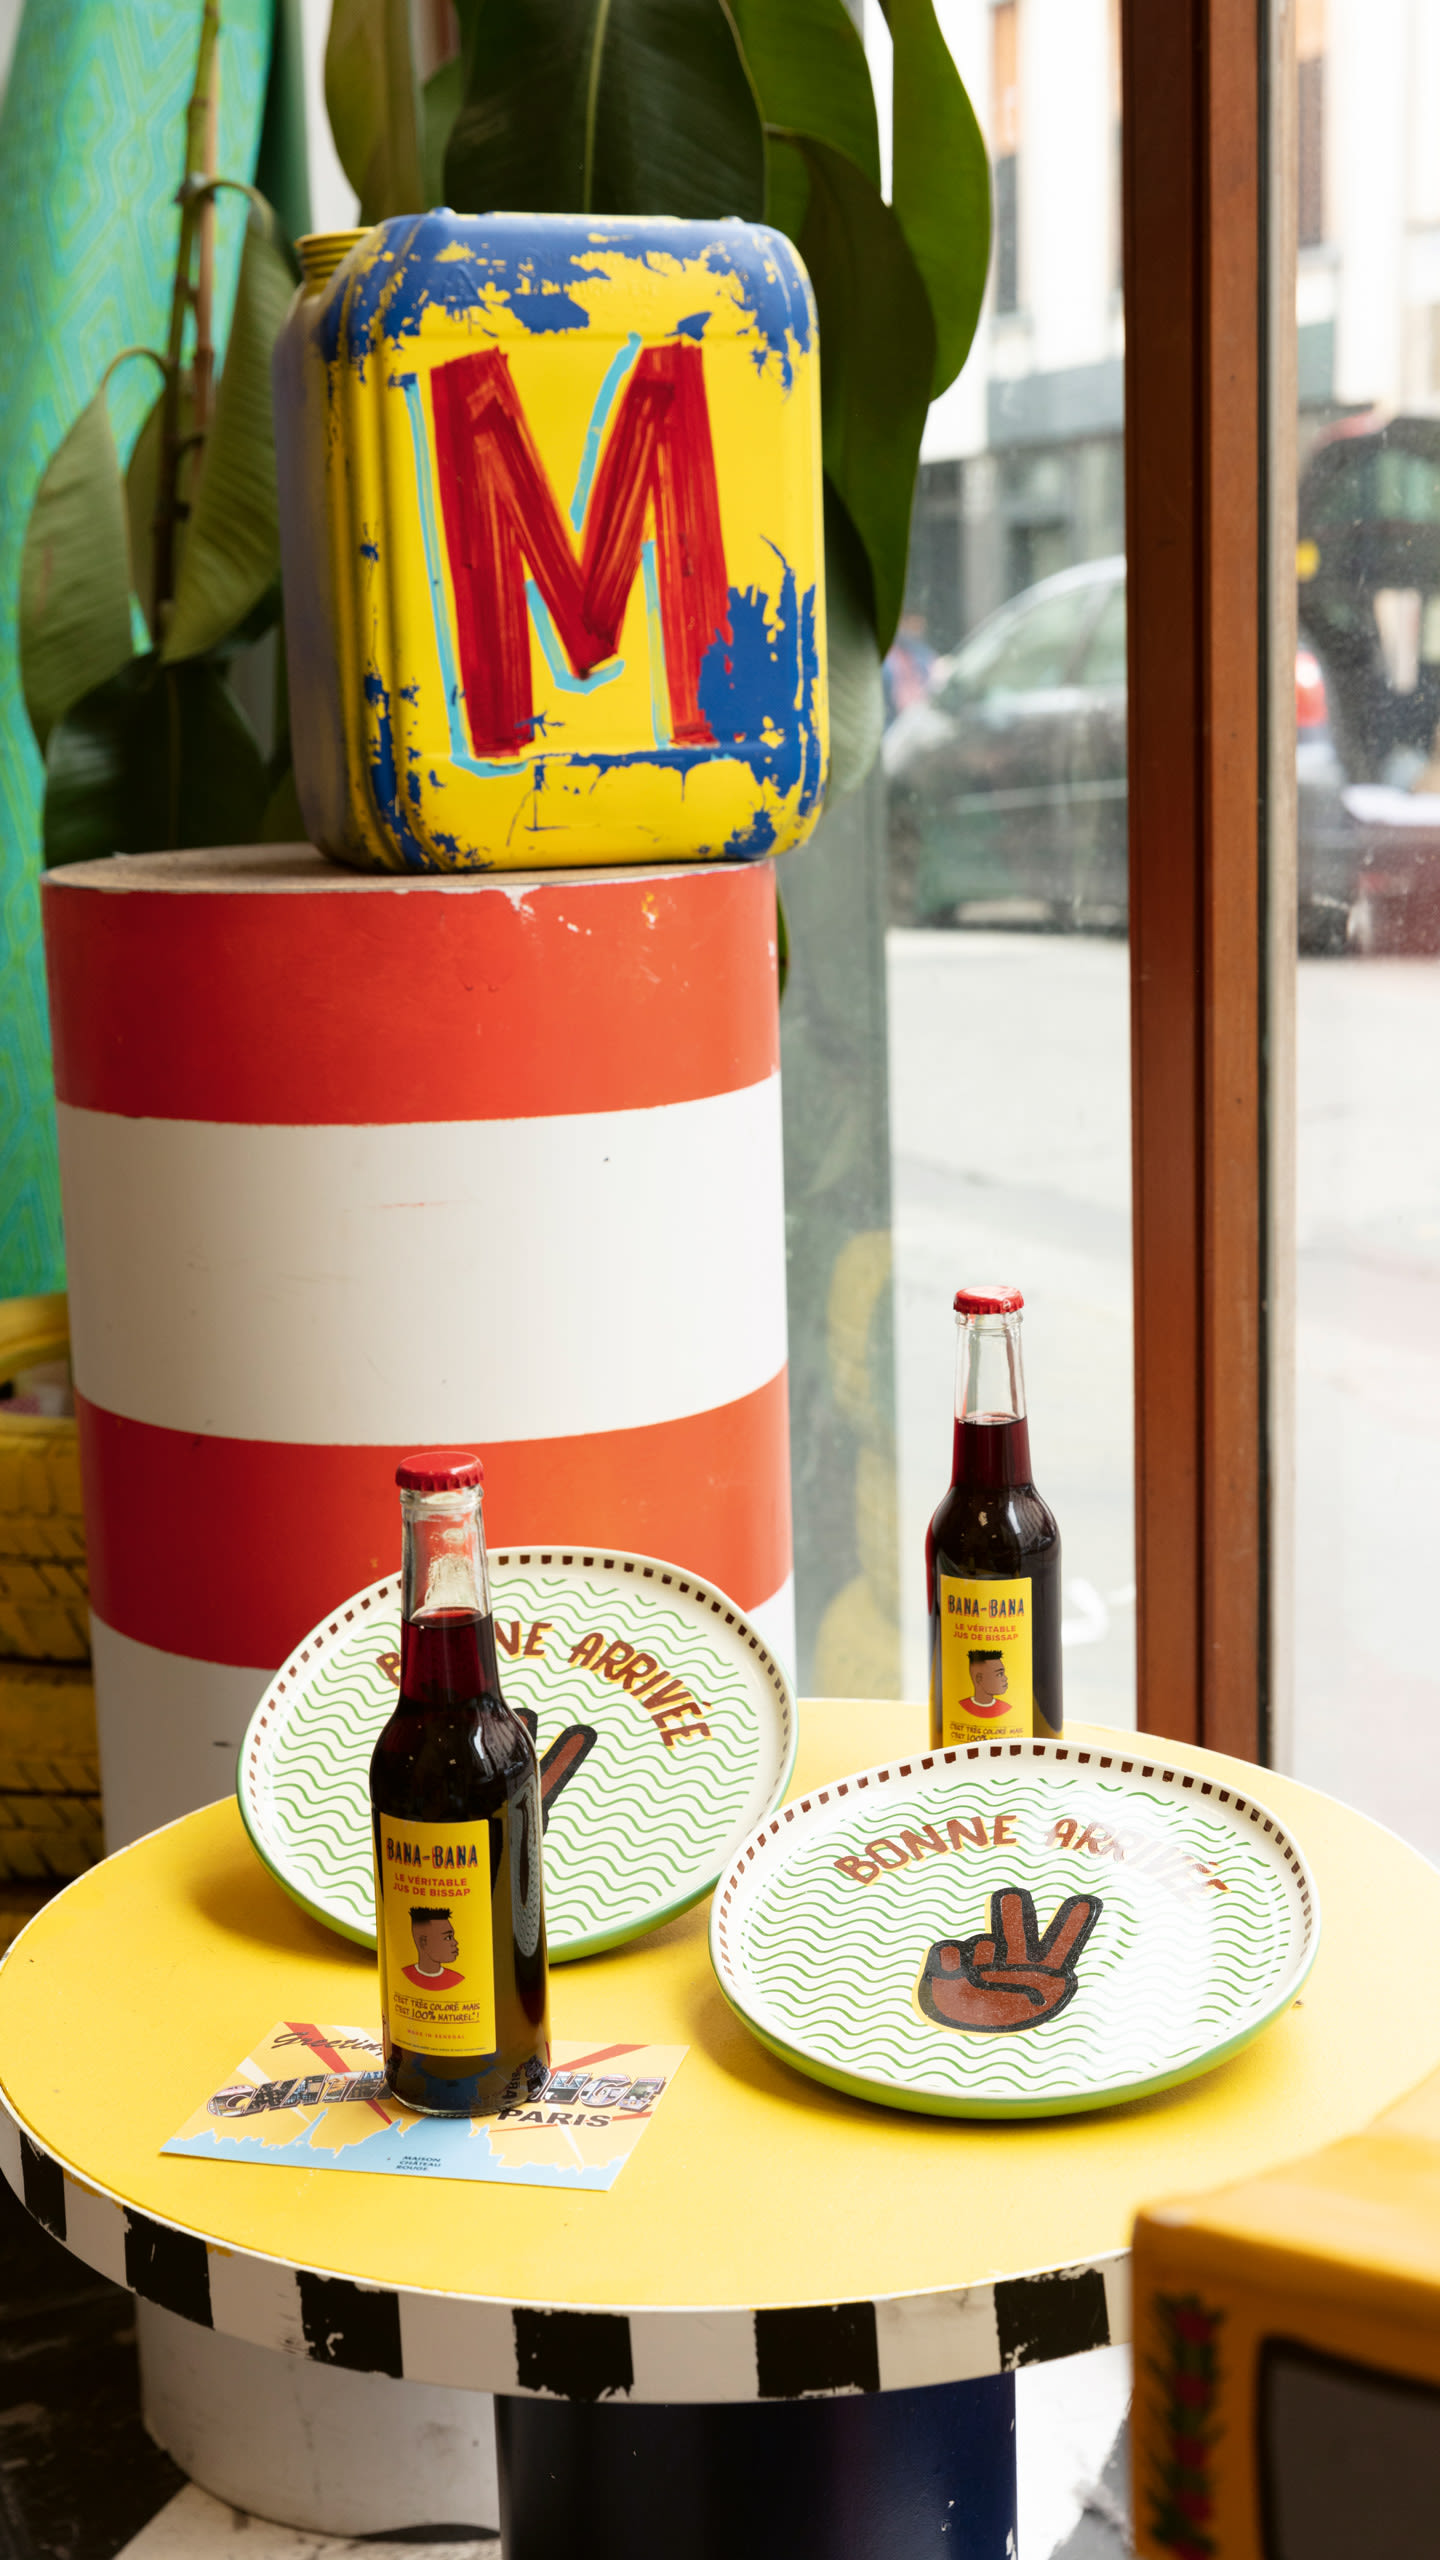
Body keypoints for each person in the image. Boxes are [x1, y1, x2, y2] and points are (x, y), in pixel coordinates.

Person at [883, 610, 937, 725]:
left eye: (920, 623)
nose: (918, 628)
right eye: (912, 622)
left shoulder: (921, 652)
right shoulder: (884, 661)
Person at [402, 1906, 465, 1989]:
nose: (455, 1943)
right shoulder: (403, 1975)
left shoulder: (457, 1979)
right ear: (423, 1942)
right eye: (448, 1937)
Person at [958, 1648, 1011, 1719]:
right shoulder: (961, 1706)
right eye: (999, 1674)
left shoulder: (1006, 1707)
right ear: (979, 1678)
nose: (1005, 1678)